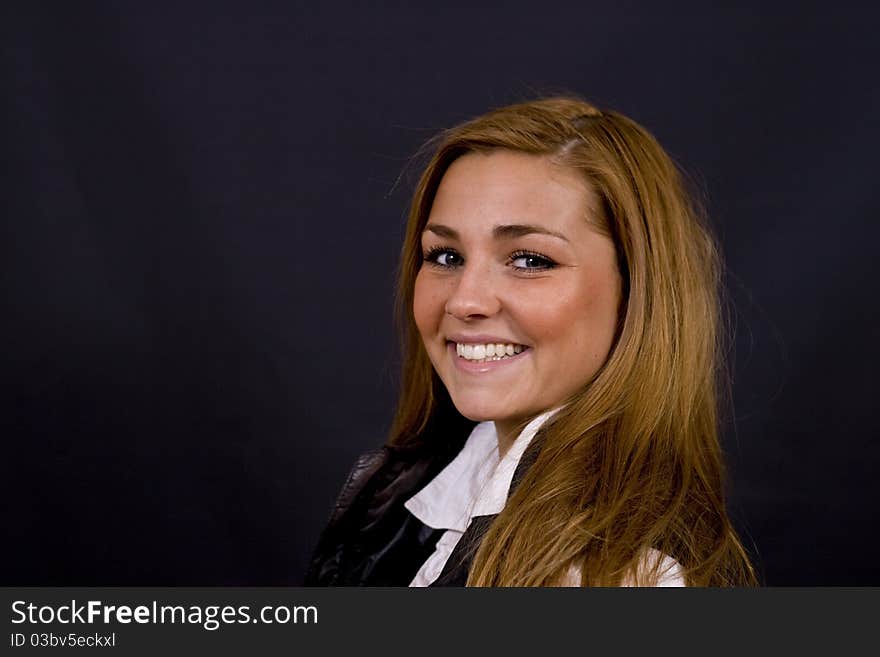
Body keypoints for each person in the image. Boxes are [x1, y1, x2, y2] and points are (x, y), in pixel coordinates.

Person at [304, 96, 758, 587]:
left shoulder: (630, 576)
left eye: (530, 260)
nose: (464, 301)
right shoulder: (413, 494)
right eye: (446, 256)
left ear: (637, 291)